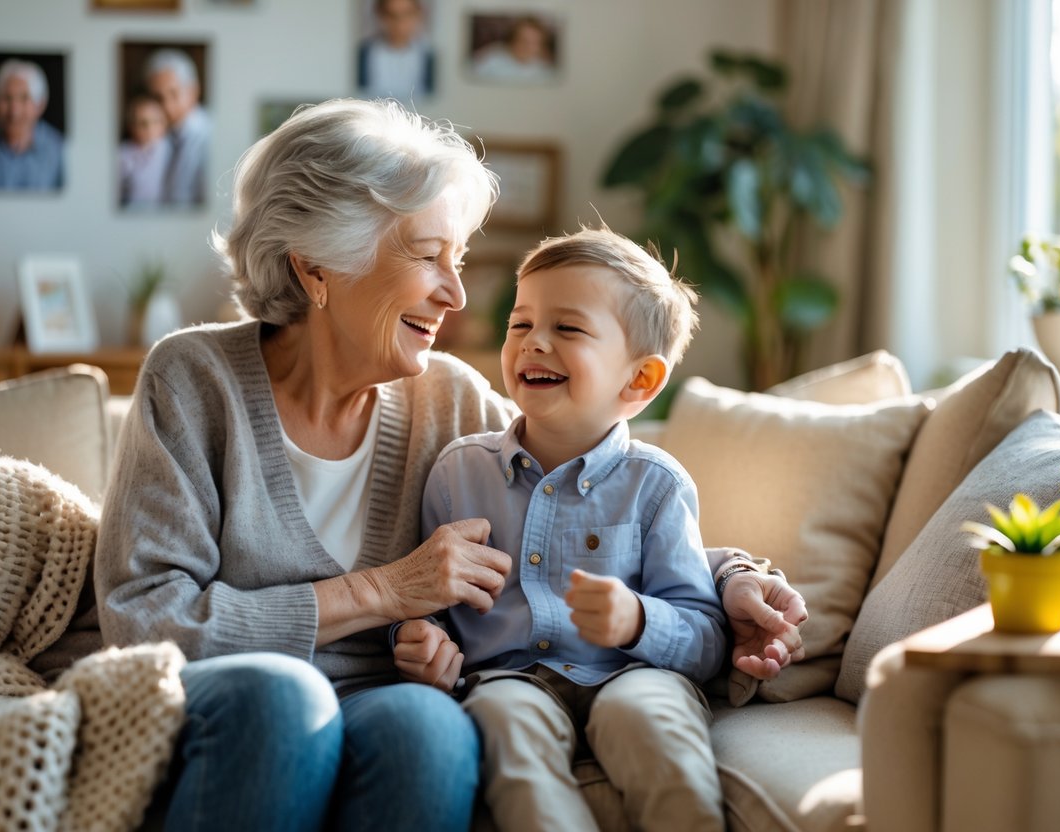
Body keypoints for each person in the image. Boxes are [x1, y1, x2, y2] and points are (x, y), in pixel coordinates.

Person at [93, 97, 805, 831]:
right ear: (318, 267)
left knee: (429, 731)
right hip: (233, 695)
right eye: (428, 256)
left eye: (455, 260)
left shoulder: (450, 401)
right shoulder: (193, 378)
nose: (456, 293)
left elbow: (578, 502)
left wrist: (730, 579)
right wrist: (381, 592)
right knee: (283, 698)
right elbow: (144, 615)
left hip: (383, 691)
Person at [399, 227, 733, 830]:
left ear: (640, 381)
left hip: (634, 674)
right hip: (508, 678)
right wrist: (421, 638)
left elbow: (707, 635)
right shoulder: (458, 472)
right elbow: (428, 599)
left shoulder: (656, 483)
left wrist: (636, 618)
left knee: (649, 720)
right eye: (520, 324)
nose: (534, 344)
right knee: (504, 721)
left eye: (568, 328)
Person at [0, 58, 63, 191]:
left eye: (24, 98)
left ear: (40, 105)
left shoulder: (57, 146)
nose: (14, 111)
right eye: (7, 98)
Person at [143, 48, 210, 207]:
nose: (166, 105)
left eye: (173, 93)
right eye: (157, 97)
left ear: (193, 91)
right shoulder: (155, 137)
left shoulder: (211, 136)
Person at [357, 0, 435, 102]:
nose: (399, 22)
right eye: (391, 15)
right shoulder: (363, 54)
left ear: (418, 15)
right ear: (379, 16)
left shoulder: (429, 56)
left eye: (407, 14)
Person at [118, 91, 171, 209]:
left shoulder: (171, 150)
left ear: (165, 122)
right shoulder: (123, 154)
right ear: (131, 127)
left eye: (156, 121)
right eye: (142, 123)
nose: (150, 129)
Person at [471, 15, 557, 84]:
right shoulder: (490, 59)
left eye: (534, 43)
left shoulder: (544, 70)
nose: (527, 47)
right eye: (523, 40)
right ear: (512, 40)